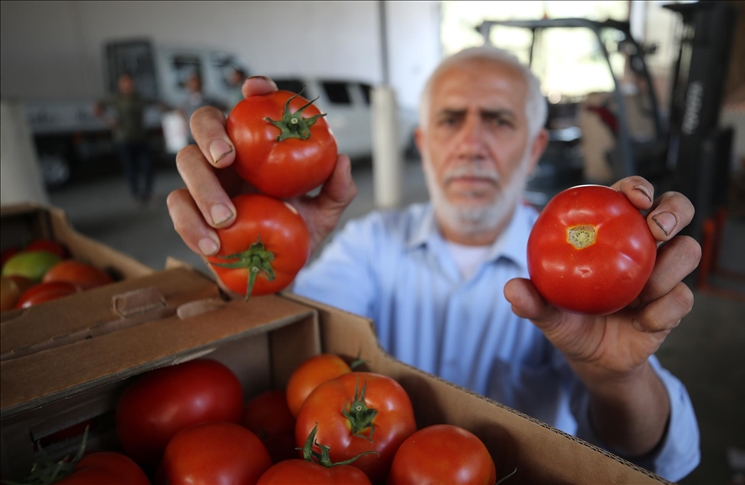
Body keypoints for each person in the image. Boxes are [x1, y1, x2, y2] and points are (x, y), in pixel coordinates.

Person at [167, 46, 702, 481]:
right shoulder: (370, 245)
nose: (471, 144)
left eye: (498, 120)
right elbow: (284, 348)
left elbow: (660, 456)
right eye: (450, 120)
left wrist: (619, 379)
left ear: (535, 148)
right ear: (423, 144)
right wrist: (255, 235)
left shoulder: (596, 284)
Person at [93, 72, 161, 206]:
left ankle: (148, 192)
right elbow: (97, 107)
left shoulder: (139, 98)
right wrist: (108, 120)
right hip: (123, 139)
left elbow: (157, 104)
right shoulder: (116, 99)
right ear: (120, 85)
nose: (128, 85)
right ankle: (136, 194)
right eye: (124, 83)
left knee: (148, 167)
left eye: (130, 82)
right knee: (131, 169)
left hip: (140, 138)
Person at [177, 72, 226, 144]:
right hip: (191, 135)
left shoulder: (210, 100)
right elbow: (181, 111)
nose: (194, 85)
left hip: (207, 134)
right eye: (192, 83)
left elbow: (222, 106)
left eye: (196, 83)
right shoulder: (185, 103)